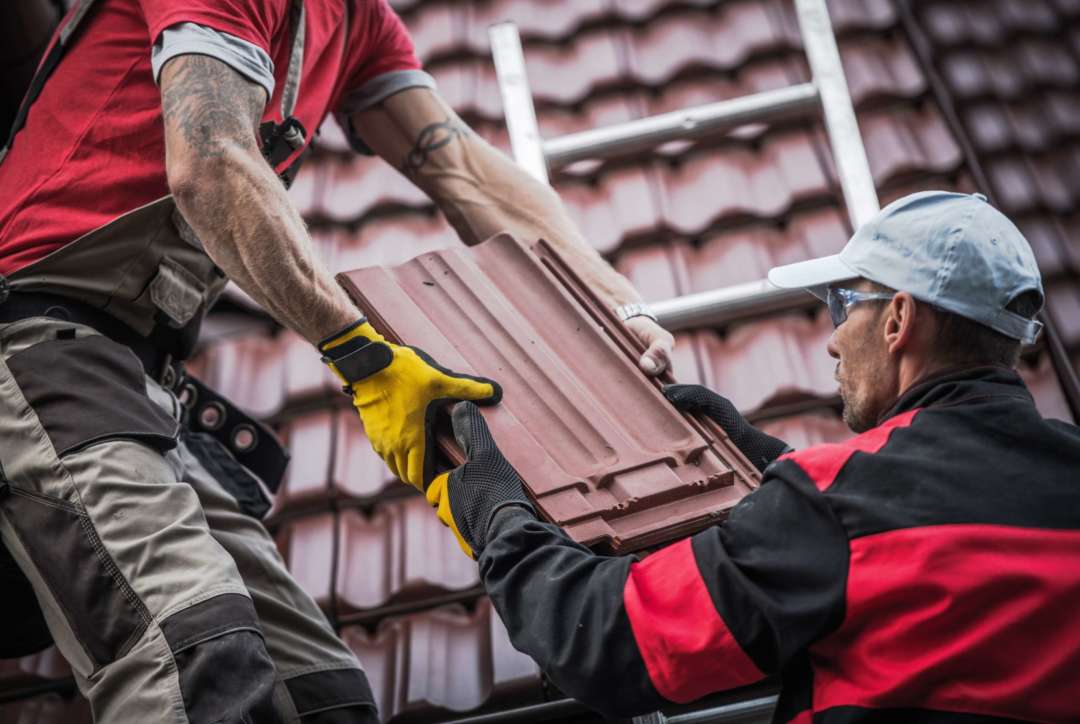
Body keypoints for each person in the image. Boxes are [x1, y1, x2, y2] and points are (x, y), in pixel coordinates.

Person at [0, 1, 674, 722]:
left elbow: (464, 172)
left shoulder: (359, 23)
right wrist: (367, 357)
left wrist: (616, 308)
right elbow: (211, 163)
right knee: (196, 659)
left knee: (323, 696)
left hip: (136, 382)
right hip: (37, 348)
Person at [425, 191, 1080, 723]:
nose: (831, 341)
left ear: (897, 320)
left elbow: (602, 641)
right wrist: (770, 468)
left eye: (842, 303)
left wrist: (499, 517)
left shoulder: (834, 509)